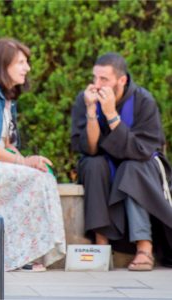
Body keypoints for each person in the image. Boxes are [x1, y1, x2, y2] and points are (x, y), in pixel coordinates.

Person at [0, 38, 66, 272]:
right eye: (21, 62)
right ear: (3, 64)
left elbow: (8, 145)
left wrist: (28, 161)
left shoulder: (7, 98)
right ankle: (19, 257)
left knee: (42, 173)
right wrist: (25, 162)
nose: (27, 68)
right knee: (37, 178)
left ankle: (21, 254)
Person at [71, 52, 172, 271]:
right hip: (104, 165)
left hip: (142, 166)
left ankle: (144, 247)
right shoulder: (86, 99)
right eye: (94, 78)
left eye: (104, 79)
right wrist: (91, 112)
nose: (96, 85)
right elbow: (89, 148)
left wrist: (111, 115)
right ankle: (101, 247)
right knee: (92, 164)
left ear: (122, 80)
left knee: (131, 167)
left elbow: (142, 150)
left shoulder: (143, 101)